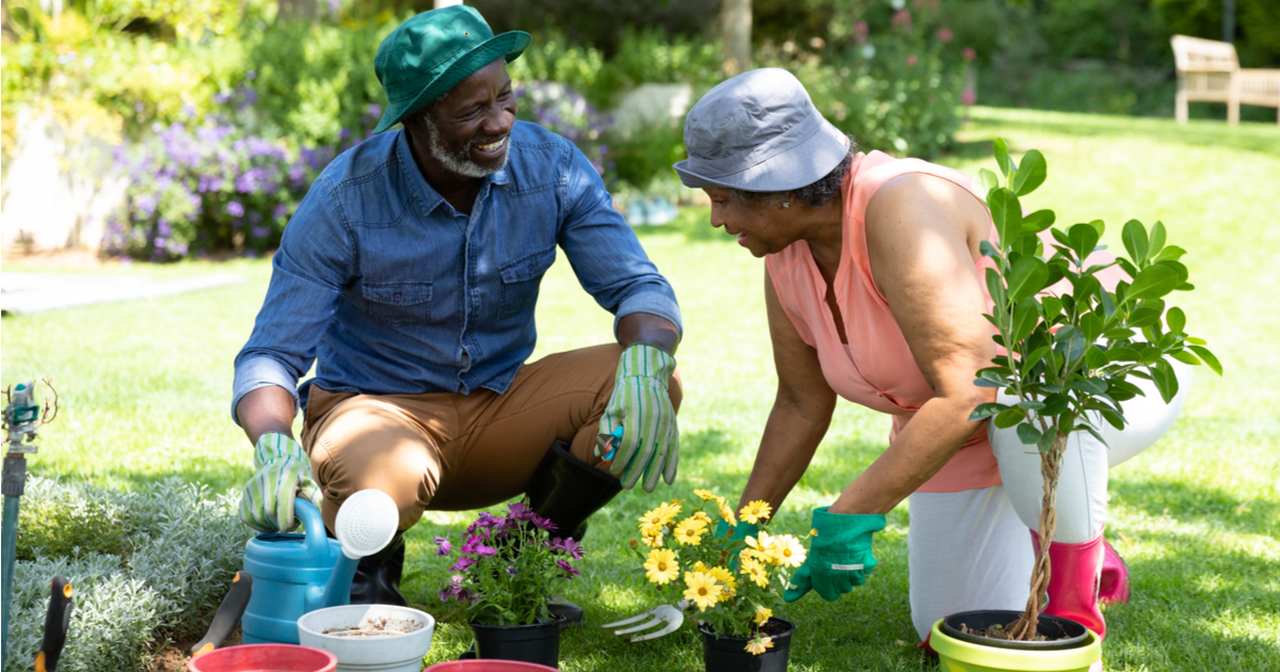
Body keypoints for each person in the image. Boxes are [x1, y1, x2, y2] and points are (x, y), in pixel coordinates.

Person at [673, 68, 1186, 642]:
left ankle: (1074, 593)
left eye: (723, 199)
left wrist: (850, 513)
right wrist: (746, 525)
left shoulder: (900, 205)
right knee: (946, 627)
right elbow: (799, 402)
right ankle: (1060, 530)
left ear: (783, 189)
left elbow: (972, 386)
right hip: (966, 428)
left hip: (1094, 375)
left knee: (1022, 392)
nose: (718, 219)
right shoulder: (784, 255)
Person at [232, 5, 683, 616]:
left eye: (506, 97)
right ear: (418, 119)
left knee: (651, 374)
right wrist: (270, 443)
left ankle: (519, 566)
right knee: (380, 473)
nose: (500, 121)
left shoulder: (551, 168)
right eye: (473, 110)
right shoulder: (345, 199)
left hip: (500, 406)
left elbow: (638, 286)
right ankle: (368, 569)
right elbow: (271, 355)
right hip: (377, 417)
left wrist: (646, 359)